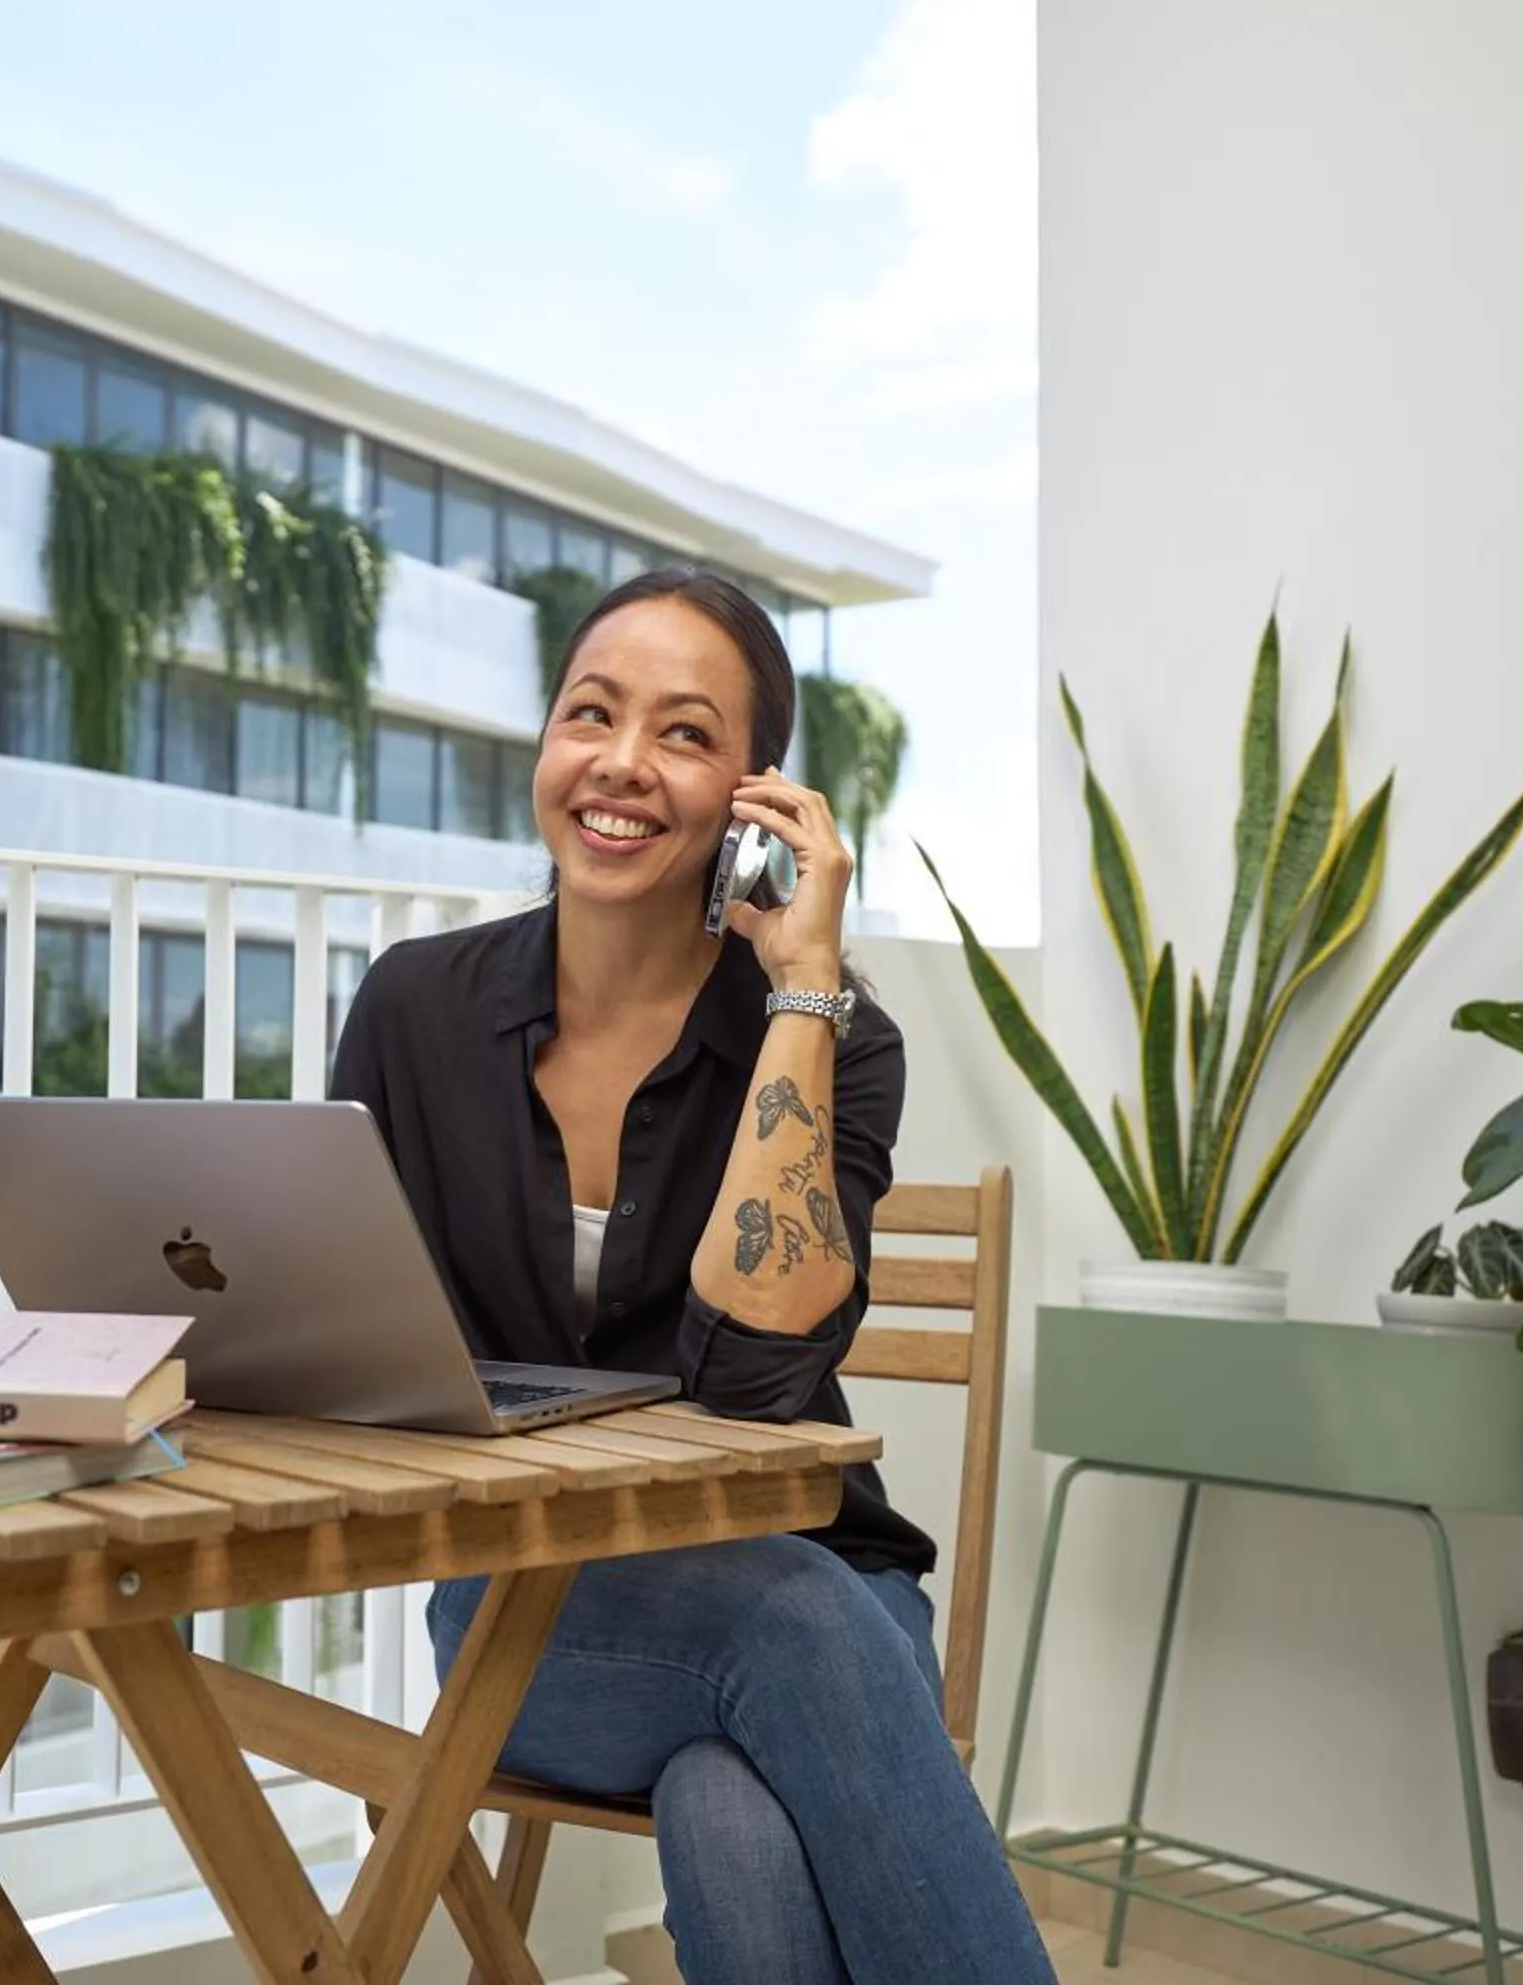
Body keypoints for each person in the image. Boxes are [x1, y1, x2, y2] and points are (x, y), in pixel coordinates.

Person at [327, 567, 1054, 1984]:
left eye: (683, 733)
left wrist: (802, 988)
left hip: (824, 1582)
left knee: (735, 1808)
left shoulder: (836, 1039)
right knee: (786, 1635)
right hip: (535, 1611)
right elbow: (347, 1330)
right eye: (589, 714)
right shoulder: (417, 1009)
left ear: (755, 795)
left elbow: (756, 1384)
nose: (619, 763)